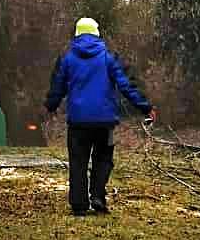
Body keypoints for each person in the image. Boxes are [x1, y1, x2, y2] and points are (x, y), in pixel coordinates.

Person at [45, 16, 153, 217]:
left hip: (78, 123)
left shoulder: (68, 59)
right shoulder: (108, 58)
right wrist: (145, 107)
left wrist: (51, 106)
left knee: (78, 161)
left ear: (76, 35)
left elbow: (58, 87)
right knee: (104, 159)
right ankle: (97, 196)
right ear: (97, 34)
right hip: (105, 123)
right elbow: (126, 86)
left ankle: (79, 204)